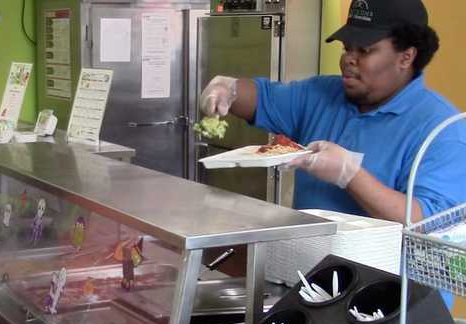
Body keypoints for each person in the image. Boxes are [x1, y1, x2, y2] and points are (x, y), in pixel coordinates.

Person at [200, 0, 466, 226]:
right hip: (314, 273)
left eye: (364, 50)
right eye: (346, 48)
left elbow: (427, 223)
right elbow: (261, 97)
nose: (349, 59)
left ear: (406, 57)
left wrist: (350, 175)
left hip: (388, 285)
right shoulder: (323, 93)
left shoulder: (441, 129)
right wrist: (228, 90)